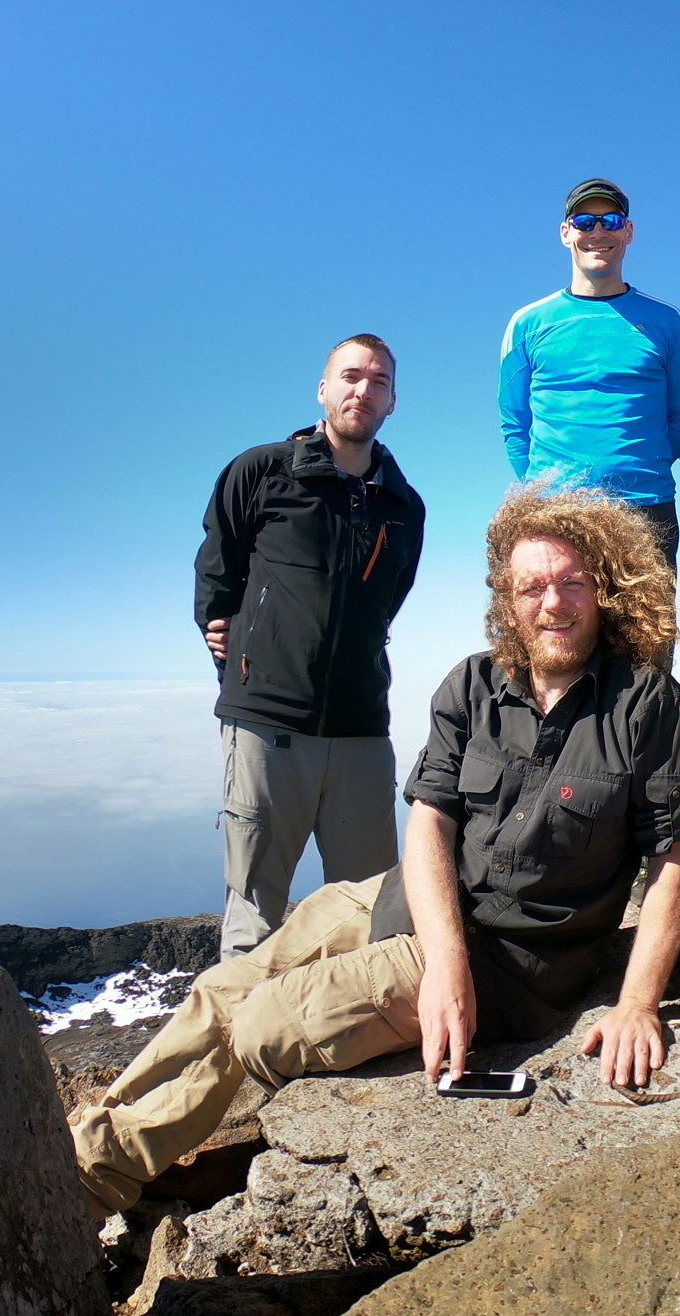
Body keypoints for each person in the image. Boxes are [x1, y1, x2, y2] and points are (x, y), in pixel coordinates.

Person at [74, 488, 680, 1222]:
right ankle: (92, 1167)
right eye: (532, 587)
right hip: (411, 900)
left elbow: (671, 861)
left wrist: (636, 1005)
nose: (553, 603)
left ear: (606, 591)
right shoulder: (472, 684)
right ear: (508, 597)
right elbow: (429, 824)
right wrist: (444, 963)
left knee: (261, 1028)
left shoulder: (645, 703)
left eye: (572, 583)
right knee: (219, 990)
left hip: (515, 960)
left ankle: (132, 1166)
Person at [195, 335, 425, 960]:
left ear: (392, 401)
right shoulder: (263, 471)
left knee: (368, 911)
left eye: (378, 381)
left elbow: (387, 602)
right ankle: (238, 1049)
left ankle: (351, 1051)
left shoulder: (405, 506)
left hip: (360, 728)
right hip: (267, 723)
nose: (363, 389)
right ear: (323, 389)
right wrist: (236, 638)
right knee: (254, 914)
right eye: (350, 376)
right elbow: (218, 572)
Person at [500, 178, 680, 561]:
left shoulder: (668, 320)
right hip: (554, 511)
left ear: (629, 231)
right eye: (584, 222)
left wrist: (644, 466)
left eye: (610, 220)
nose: (597, 232)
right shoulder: (526, 323)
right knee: (560, 620)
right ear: (565, 232)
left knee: (647, 623)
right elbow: (513, 423)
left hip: (646, 507)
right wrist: (545, 486)